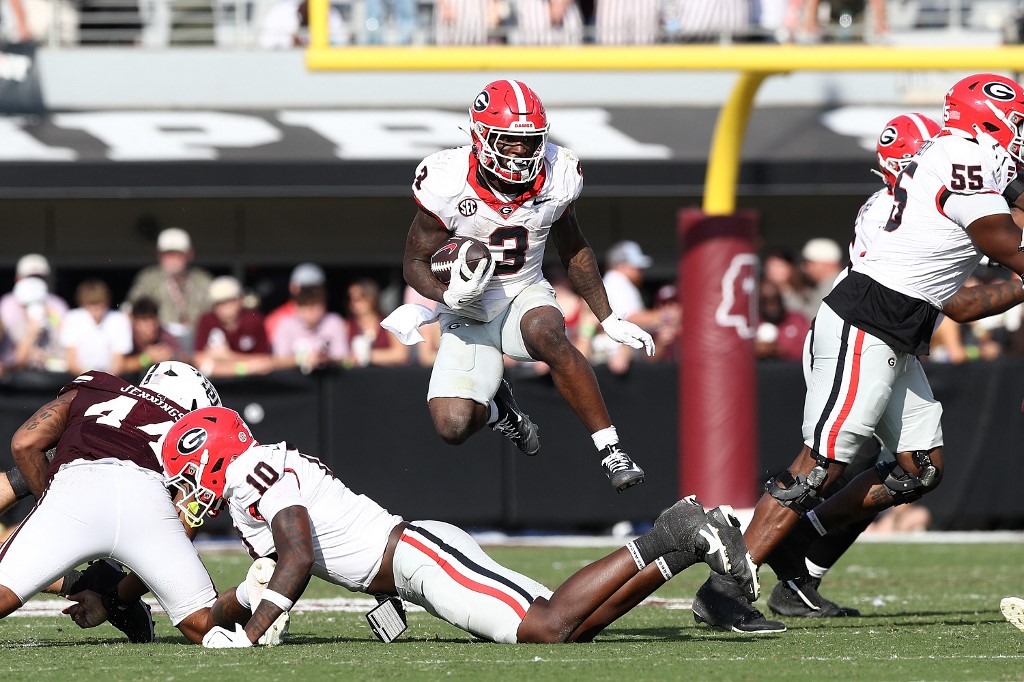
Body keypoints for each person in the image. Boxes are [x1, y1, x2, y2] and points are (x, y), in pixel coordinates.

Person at [691, 76, 1024, 633]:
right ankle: (722, 590)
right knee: (820, 464)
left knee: (919, 470)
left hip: (899, 328)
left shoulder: (961, 160)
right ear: (986, 122)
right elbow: (999, 240)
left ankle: (798, 567)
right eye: (1014, 122)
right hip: (865, 323)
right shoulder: (963, 156)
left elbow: (967, 295)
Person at [159, 406, 759, 647]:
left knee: (548, 628)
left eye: (186, 470)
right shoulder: (251, 483)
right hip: (412, 567)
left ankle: (673, 532)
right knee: (568, 629)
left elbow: (295, 558)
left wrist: (253, 633)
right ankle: (678, 545)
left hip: (419, 558)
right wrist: (215, 621)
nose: (185, 487)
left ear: (211, 453)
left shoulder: (251, 472)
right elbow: (271, 574)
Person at [392, 79, 655, 492]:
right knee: (453, 426)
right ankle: (503, 413)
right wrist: (447, 295)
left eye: (529, 141)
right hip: (466, 307)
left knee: (546, 333)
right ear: (480, 137)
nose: (520, 152)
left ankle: (611, 450)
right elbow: (414, 263)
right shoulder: (447, 180)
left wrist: (608, 317)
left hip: (523, 292)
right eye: (507, 141)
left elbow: (575, 248)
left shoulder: (558, 173)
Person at [0, 362, 223, 644]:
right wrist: (111, 601)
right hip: (148, 501)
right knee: (209, 629)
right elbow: (185, 523)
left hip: (76, 484)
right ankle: (257, 597)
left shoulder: (97, 386)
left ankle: (81, 580)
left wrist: (52, 508)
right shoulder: (196, 433)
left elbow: (24, 444)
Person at [126, 227, 213, 354]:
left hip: (198, 344)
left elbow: (217, 317)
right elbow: (131, 312)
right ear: (159, 256)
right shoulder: (148, 279)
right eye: (167, 254)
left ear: (190, 254)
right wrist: (145, 346)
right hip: (161, 342)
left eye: (178, 254)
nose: (172, 259)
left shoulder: (203, 280)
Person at [193, 276, 274, 379]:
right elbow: (201, 362)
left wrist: (228, 356)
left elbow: (264, 362)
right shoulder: (207, 320)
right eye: (220, 303)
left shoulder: (254, 320)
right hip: (218, 384)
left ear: (240, 300)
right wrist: (246, 367)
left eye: (230, 300)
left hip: (252, 384)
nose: (226, 307)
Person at [0, 254, 68, 373]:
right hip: (13, 371)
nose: (35, 281)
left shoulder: (56, 304)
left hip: (51, 370)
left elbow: (65, 334)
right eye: (30, 277)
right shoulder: (5, 304)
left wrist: (49, 315)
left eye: (40, 277)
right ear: (18, 279)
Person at [59, 279, 132, 377]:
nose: (97, 310)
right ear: (83, 304)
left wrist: (104, 380)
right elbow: (72, 361)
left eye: (101, 305)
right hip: (78, 379)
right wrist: (89, 378)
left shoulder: (119, 319)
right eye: (92, 305)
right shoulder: (72, 318)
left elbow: (118, 362)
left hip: (110, 380)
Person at [271, 284, 349, 373]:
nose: (312, 312)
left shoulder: (334, 322)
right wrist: (304, 359)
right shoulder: (286, 324)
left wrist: (327, 359)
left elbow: (344, 359)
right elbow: (278, 361)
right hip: (294, 380)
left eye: (316, 305)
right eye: (307, 306)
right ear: (297, 307)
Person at [345, 279, 408, 367]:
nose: (354, 303)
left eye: (360, 297)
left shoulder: (389, 322)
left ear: (371, 298)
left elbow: (401, 355)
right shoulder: (347, 325)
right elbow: (341, 356)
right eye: (351, 298)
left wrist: (368, 356)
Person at [122, 296, 185, 376]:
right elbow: (118, 366)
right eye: (144, 319)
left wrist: (172, 357)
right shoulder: (126, 336)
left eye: (153, 318)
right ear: (134, 321)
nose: (151, 325)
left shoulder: (163, 335)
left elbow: (185, 358)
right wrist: (147, 358)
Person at [264, 262, 327, 341]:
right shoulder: (276, 319)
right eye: (305, 289)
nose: (310, 293)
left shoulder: (330, 320)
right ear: (292, 288)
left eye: (315, 289)